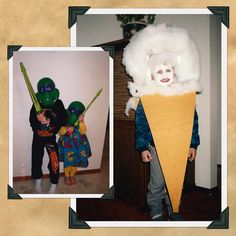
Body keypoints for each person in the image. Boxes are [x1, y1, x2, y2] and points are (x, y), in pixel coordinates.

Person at [135, 63, 200, 220]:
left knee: (175, 180)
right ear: (152, 76)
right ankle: (156, 211)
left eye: (167, 70)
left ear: (174, 72)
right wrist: (143, 147)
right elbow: (141, 124)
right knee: (157, 183)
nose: (164, 74)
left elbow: (192, 121)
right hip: (157, 147)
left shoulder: (183, 96)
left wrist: (192, 144)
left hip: (179, 145)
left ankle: (174, 209)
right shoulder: (148, 98)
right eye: (159, 71)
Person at [29, 77, 67, 194]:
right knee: (36, 159)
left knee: (54, 160)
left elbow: (64, 119)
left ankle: (54, 182)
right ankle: (37, 180)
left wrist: (49, 119)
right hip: (38, 138)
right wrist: (37, 119)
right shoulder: (36, 104)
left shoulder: (58, 103)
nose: (46, 95)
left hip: (51, 138)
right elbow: (31, 121)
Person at [58, 101, 92, 185]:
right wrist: (66, 129)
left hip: (77, 146)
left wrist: (81, 122)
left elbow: (83, 131)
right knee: (67, 161)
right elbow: (60, 132)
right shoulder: (65, 121)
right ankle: (66, 176)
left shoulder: (80, 122)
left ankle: (72, 175)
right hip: (67, 146)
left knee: (75, 161)